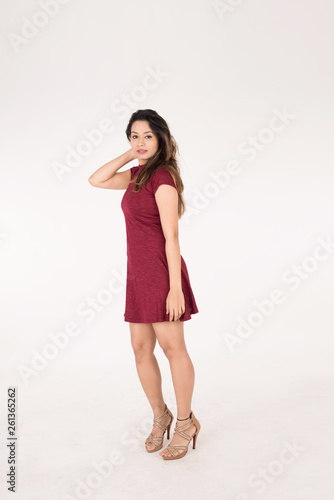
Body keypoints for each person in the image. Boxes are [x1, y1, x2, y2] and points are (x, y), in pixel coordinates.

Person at [88, 109, 201, 460]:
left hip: (160, 273)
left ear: (161, 138)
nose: (140, 142)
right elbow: (97, 179)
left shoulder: (162, 177)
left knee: (172, 349)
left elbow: (172, 236)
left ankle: (185, 422)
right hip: (137, 274)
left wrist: (175, 288)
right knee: (140, 349)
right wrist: (130, 154)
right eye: (134, 136)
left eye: (147, 136)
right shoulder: (137, 174)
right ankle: (160, 415)